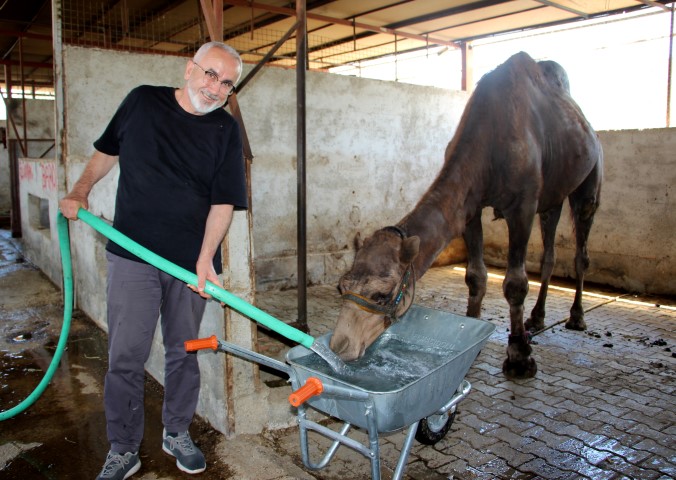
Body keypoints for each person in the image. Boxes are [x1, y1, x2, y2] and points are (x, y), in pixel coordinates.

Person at [59, 41, 248, 480]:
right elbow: (108, 150)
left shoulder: (224, 129)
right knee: (126, 356)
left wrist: (205, 259)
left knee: (183, 352)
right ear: (189, 69)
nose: (215, 87)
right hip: (132, 256)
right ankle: (124, 448)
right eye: (209, 74)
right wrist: (81, 190)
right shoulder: (142, 101)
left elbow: (224, 202)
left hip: (187, 268)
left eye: (226, 83)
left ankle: (176, 431)